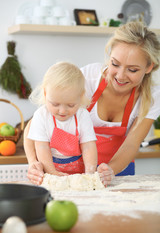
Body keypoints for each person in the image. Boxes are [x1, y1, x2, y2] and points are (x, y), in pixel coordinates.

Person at [24, 21, 160, 186]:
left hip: (119, 173)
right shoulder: (87, 78)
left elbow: (132, 144)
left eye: (132, 70)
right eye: (115, 64)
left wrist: (109, 170)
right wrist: (33, 162)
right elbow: (36, 123)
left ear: (149, 67)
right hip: (77, 172)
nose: (120, 76)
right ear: (109, 56)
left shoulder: (152, 97)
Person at [25, 62, 98, 178]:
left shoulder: (83, 115)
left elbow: (88, 146)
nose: (62, 111)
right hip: (49, 167)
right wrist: (51, 172)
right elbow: (41, 147)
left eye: (71, 105)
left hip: (78, 171)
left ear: (81, 96)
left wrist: (90, 173)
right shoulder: (41, 115)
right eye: (55, 104)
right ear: (45, 93)